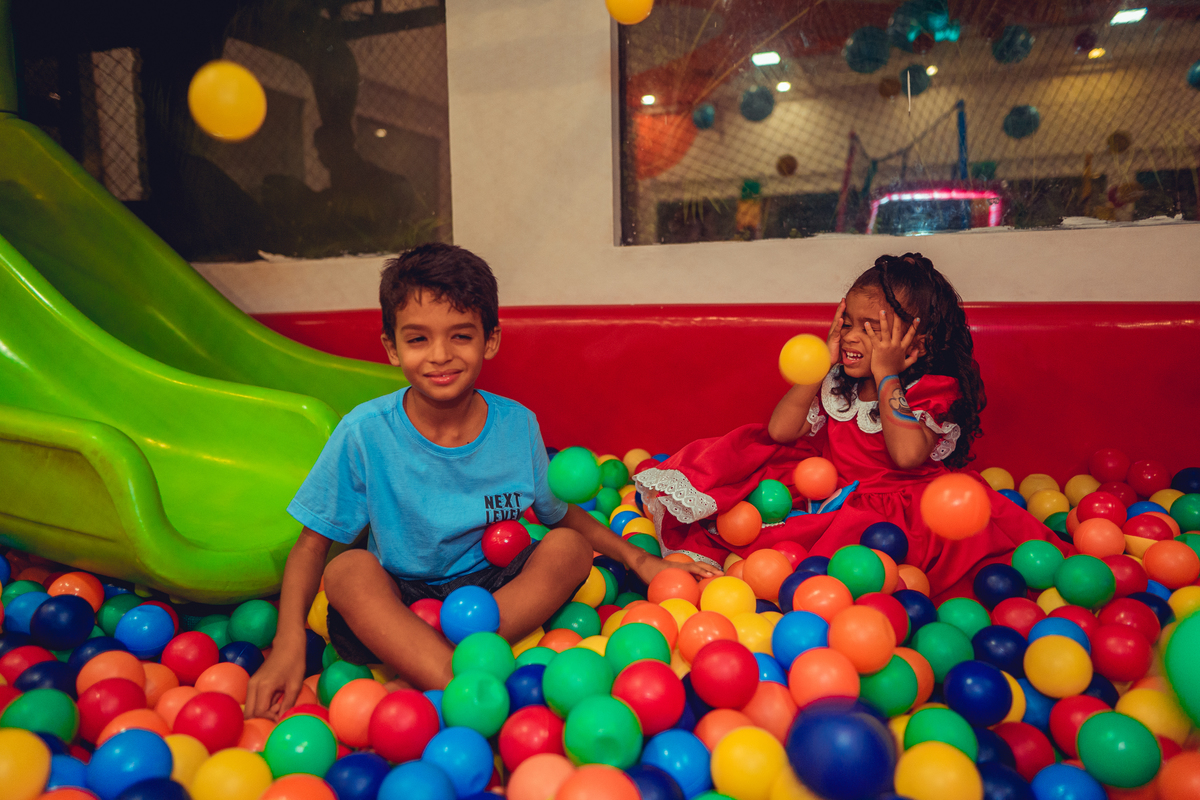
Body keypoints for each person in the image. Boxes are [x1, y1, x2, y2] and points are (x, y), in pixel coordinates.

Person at [245, 243, 717, 719]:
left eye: (461, 336)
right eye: (417, 339)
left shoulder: (517, 426)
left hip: (497, 593)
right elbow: (311, 546)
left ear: (490, 340)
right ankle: (464, 686)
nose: (441, 356)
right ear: (391, 347)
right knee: (347, 572)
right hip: (400, 595)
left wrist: (640, 559)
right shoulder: (365, 432)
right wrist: (288, 645)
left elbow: (561, 515)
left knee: (569, 550)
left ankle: (447, 667)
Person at [635, 253, 1067, 600]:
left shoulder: (931, 390)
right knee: (748, 459)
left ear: (918, 344)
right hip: (834, 489)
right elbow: (781, 431)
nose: (853, 338)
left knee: (859, 573)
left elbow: (907, 456)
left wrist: (889, 377)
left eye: (872, 329)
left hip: (906, 509)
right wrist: (818, 365)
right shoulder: (839, 382)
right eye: (848, 323)